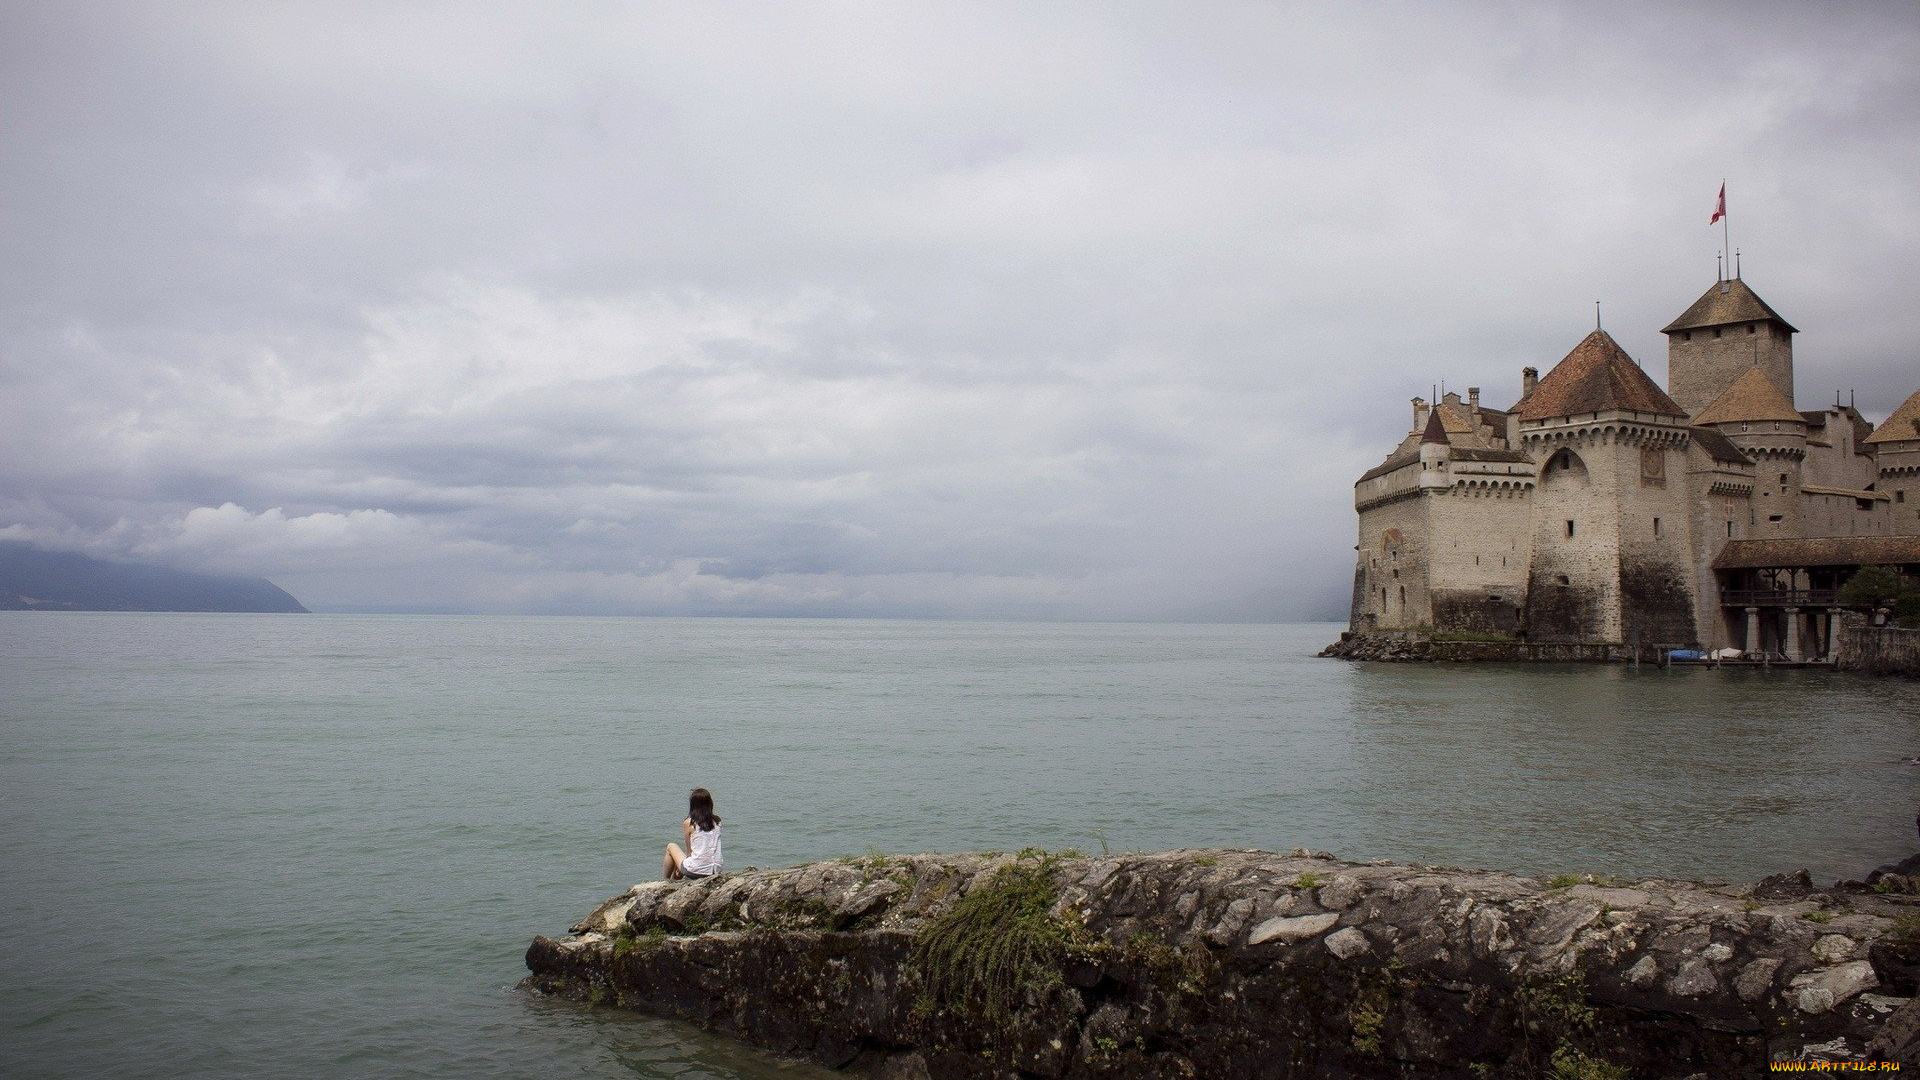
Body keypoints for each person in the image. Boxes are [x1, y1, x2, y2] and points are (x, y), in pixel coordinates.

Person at [663, 787, 723, 880]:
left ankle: (664, 881)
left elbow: (689, 851)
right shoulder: (718, 821)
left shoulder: (689, 823)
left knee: (671, 846)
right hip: (716, 870)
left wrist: (681, 867)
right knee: (681, 863)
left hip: (696, 870)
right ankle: (675, 880)